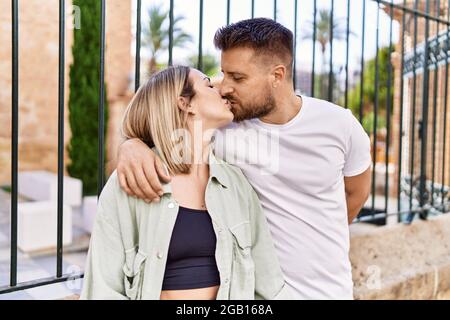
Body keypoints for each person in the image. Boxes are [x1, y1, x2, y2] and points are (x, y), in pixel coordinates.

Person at [116, 18, 372, 299]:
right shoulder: (223, 126)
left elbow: (356, 194)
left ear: (277, 75)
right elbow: (169, 105)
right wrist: (133, 143)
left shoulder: (340, 125)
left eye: (237, 78)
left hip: (331, 292)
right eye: (223, 74)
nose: (225, 87)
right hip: (254, 294)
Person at [80, 65, 292, 300]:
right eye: (209, 85)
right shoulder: (132, 181)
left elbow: (269, 284)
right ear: (185, 103)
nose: (221, 90)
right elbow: (102, 288)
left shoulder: (236, 184)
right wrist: (131, 144)